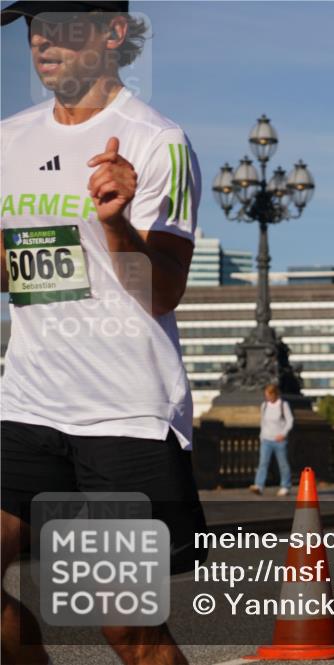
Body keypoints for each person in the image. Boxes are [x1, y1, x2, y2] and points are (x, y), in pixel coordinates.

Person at [0, 2, 204, 663]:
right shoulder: (9, 140)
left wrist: (115, 223)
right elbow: (13, 269)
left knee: (125, 626)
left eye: (60, 22)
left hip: (125, 413)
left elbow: (163, 289)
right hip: (26, 403)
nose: (39, 38)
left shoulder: (155, 140)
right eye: (33, 25)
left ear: (114, 33)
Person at [250, 384, 295, 497]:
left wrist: (283, 434)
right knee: (263, 463)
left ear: (275, 394)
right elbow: (263, 422)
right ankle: (258, 485)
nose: (268, 397)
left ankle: (285, 486)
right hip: (266, 439)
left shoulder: (283, 405)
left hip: (279, 440)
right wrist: (261, 437)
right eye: (266, 395)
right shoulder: (264, 405)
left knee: (283, 464)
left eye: (269, 395)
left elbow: (290, 420)